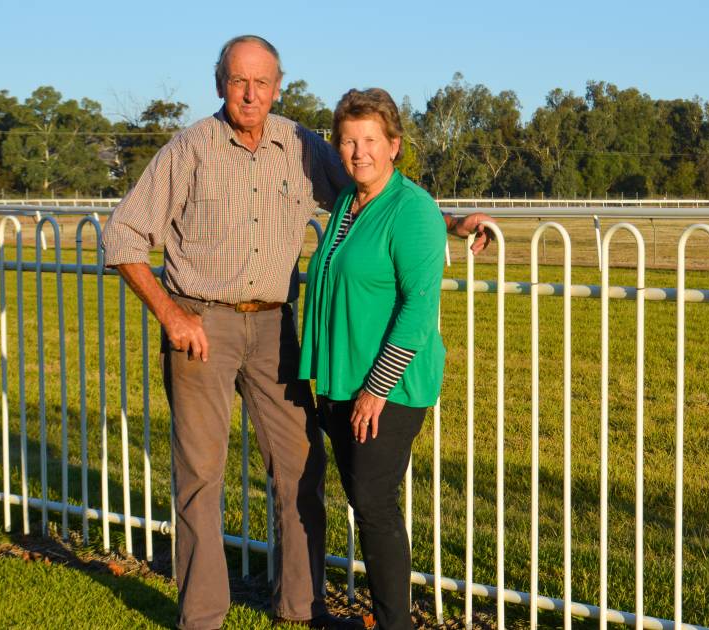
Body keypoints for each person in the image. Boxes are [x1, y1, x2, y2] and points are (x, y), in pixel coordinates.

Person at [101, 36, 492, 630]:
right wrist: (171, 314)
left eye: (262, 82)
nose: (251, 94)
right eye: (238, 81)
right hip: (202, 323)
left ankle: (300, 607)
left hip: (275, 328)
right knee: (201, 474)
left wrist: (451, 222)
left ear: (279, 85)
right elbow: (123, 234)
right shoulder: (190, 149)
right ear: (220, 84)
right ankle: (203, 614)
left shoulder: (301, 146)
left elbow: (378, 195)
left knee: (300, 468)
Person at [299, 88, 450, 630]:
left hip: (386, 389)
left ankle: (394, 624)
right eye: (347, 141)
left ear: (394, 146)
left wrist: (376, 390)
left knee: (374, 505)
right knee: (365, 503)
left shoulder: (412, 210)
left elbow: (417, 308)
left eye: (369, 140)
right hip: (342, 379)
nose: (358, 151)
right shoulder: (348, 203)